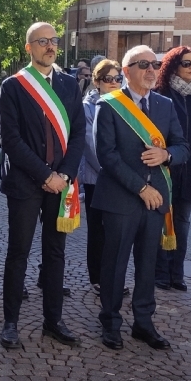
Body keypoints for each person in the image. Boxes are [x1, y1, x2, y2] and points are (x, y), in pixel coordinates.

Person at [92, 45, 189, 351]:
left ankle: (144, 324)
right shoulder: (108, 105)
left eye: (156, 65)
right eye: (143, 64)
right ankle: (110, 323)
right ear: (126, 71)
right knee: (115, 264)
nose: (151, 70)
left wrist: (167, 154)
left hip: (156, 197)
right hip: (122, 198)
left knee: (148, 264)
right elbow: (106, 155)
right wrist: (140, 188)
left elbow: (183, 146)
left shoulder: (164, 105)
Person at [0, 23, 85, 348]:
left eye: (54, 41)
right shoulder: (14, 86)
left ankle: (53, 320)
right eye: (43, 41)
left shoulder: (69, 85)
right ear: (28, 46)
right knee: (18, 252)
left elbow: (77, 135)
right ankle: (10, 322)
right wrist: (45, 176)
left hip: (61, 184)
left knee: (56, 253)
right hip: (26, 183)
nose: (50, 46)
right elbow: (11, 140)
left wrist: (64, 175)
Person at [153, 47, 191, 292]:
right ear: (173, 65)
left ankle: (177, 273)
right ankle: (160, 273)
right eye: (185, 62)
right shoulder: (161, 92)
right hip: (166, 167)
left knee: (183, 221)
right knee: (161, 219)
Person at [80, 59, 121, 290]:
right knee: (98, 232)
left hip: (121, 179)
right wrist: (114, 171)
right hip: (98, 178)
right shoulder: (88, 106)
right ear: (97, 81)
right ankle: (98, 278)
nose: (113, 83)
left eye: (117, 78)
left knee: (116, 232)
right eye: (108, 79)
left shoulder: (124, 104)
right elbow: (90, 145)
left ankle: (113, 277)